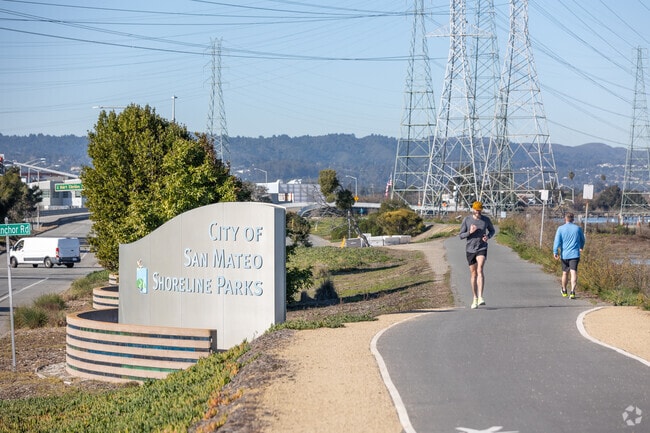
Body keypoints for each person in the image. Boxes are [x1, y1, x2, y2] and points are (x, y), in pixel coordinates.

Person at [459, 201, 495, 309]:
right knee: (473, 273)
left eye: (479, 210)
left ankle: (480, 297)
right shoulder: (467, 220)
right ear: (472, 209)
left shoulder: (486, 220)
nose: (477, 211)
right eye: (476, 209)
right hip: (470, 249)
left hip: (482, 247)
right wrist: (469, 232)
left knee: (480, 269)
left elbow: (492, 230)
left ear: (481, 210)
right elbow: (461, 235)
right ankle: (474, 298)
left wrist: (488, 237)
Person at [553, 212, 585, 299]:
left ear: (565, 219)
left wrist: (555, 252)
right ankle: (572, 292)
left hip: (565, 254)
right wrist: (581, 247)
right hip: (574, 254)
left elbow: (557, 241)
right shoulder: (578, 229)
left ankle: (564, 290)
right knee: (573, 272)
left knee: (565, 273)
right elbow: (582, 239)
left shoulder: (560, 229)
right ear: (573, 219)